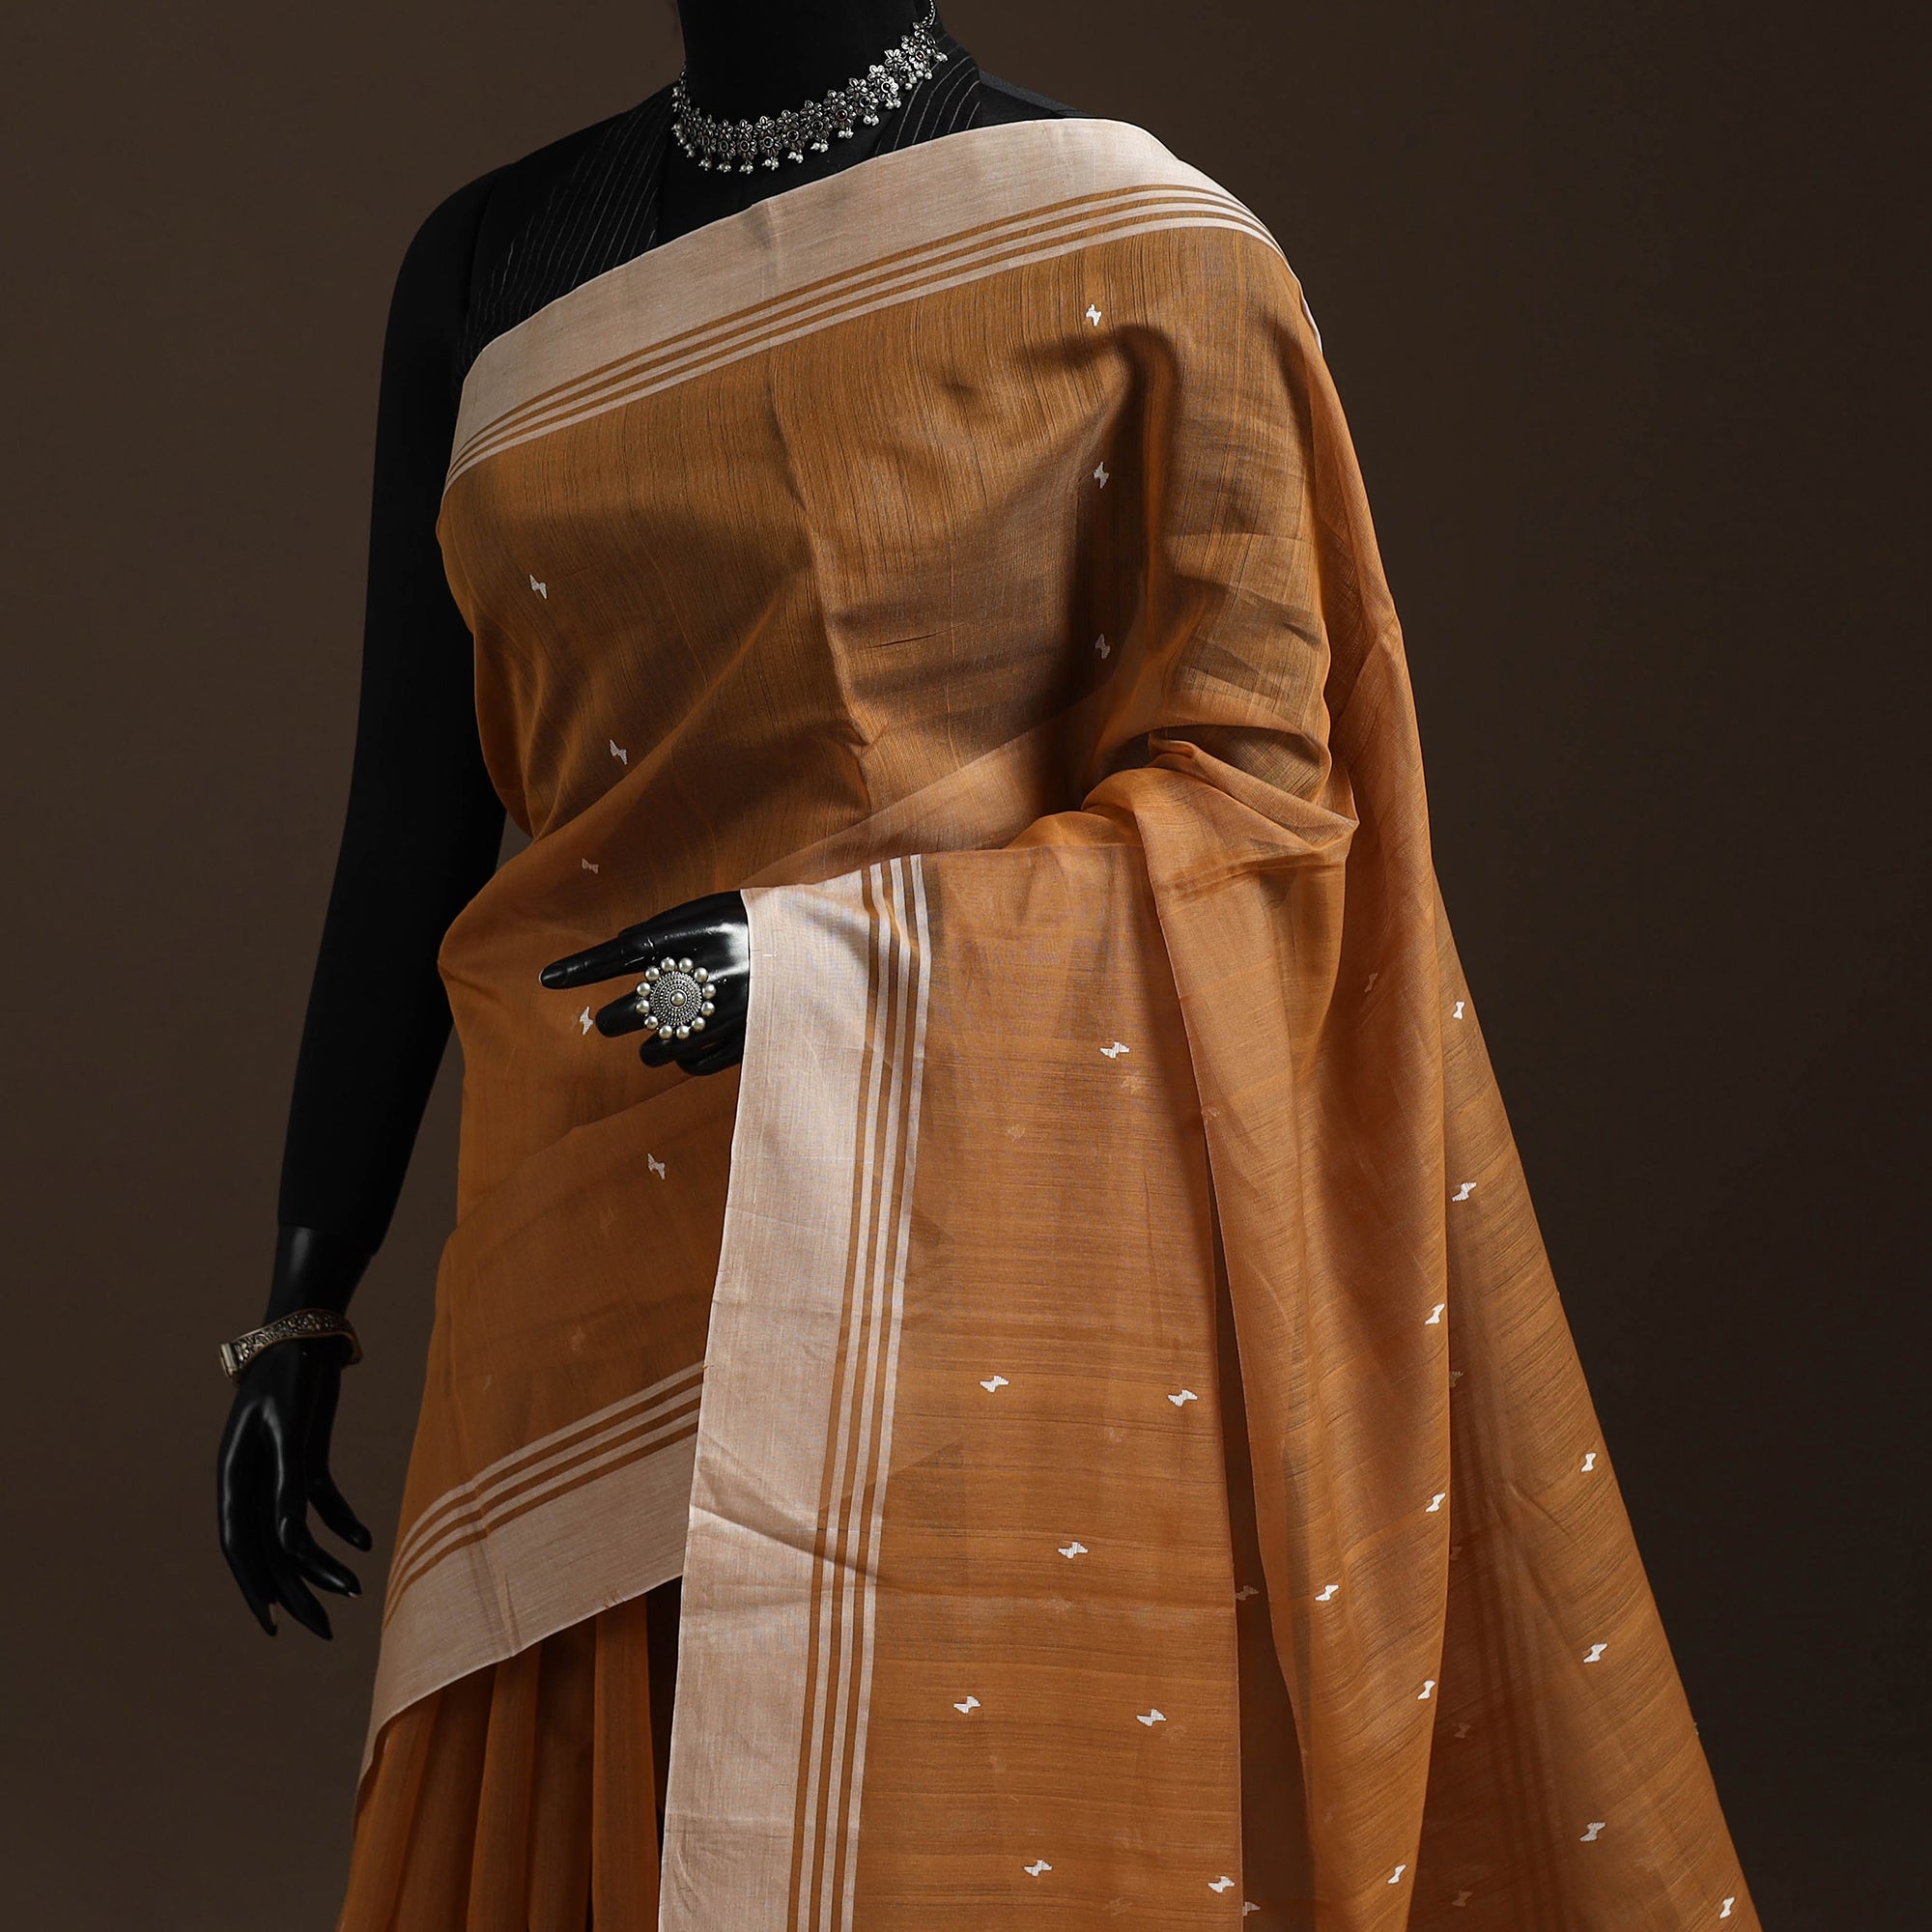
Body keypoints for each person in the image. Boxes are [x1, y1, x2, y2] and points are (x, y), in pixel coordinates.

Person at [215, 6, 1756, 1925]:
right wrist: (302, 1302)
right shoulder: (484, 267)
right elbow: (407, 825)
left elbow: (1270, 805)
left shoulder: (1137, 243)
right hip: (576, 1237)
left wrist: (841, 973)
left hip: (967, 1242)